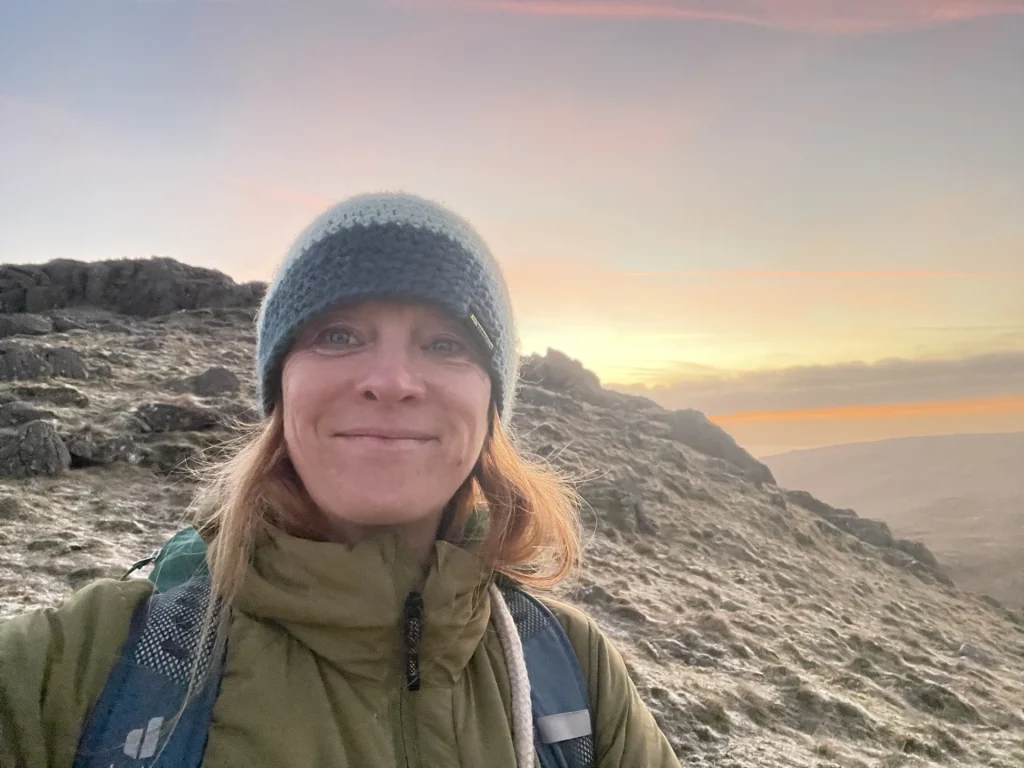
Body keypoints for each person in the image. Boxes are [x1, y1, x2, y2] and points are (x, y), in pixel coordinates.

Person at [0, 193, 681, 767]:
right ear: (280, 388)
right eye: (338, 335)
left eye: (446, 343)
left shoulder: (576, 677)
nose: (391, 381)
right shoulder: (85, 666)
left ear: (492, 406)